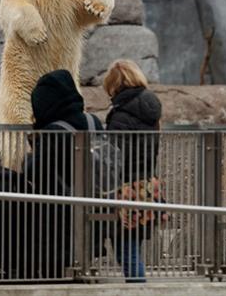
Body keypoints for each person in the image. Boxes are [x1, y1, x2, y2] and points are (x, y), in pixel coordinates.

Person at [30, 69, 103, 280]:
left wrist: (32, 151)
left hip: (59, 217)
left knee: (56, 274)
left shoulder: (53, 131)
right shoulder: (93, 122)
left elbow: (36, 171)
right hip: (95, 205)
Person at [103, 59, 163, 283]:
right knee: (132, 243)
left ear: (115, 84)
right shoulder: (152, 108)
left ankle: (139, 289)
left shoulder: (121, 115)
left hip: (126, 187)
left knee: (125, 248)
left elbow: (115, 156)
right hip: (147, 183)